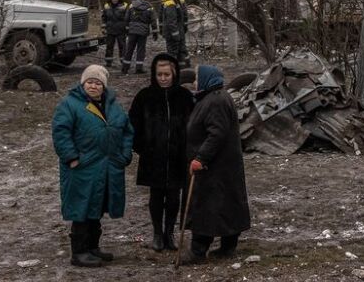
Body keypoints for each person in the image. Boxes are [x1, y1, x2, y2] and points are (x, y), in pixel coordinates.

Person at [51, 64, 134, 268]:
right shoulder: (70, 104)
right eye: (89, 82)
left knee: (97, 207)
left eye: (98, 83)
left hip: (107, 167)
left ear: (104, 86)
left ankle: (93, 247)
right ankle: (79, 252)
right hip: (82, 167)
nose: (93, 86)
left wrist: (124, 155)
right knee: (82, 207)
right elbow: (61, 132)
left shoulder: (113, 106)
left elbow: (127, 131)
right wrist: (71, 157)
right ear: (83, 83)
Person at [180, 65, 252, 264]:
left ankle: (198, 251)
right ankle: (228, 246)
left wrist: (201, 158)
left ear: (206, 78)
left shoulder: (215, 101)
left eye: (197, 77)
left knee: (206, 207)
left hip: (214, 168)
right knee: (227, 206)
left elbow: (217, 134)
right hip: (223, 167)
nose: (194, 82)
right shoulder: (215, 97)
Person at [128, 53, 195, 252]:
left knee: (174, 196)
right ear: (154, 74)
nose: (163, 78)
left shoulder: (184, 97)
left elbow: (193, 124)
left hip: (177, 156)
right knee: (156, 195)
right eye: (159, 74)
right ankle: (157, 233)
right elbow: (133, 124)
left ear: (174, 74)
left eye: (167, 74)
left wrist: (188, 148)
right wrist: (141, 146)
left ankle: (169, 232)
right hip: (153, 157)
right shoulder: (144, 96)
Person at [123, 0, 157, 74]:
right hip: (143, 31)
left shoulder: (132, 5)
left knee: (129, 49)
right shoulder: (150, 7)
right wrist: (155, 32)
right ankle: (139, 68)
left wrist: (127, 29)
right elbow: (153, 21)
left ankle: (125, 68)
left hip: (132, 31)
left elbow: (126, 18)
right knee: (141, 50)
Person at [160, 0, 190, 68]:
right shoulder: (170, 3)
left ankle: (182, 68)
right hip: (172, 33)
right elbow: (171, 21)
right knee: (173, 52)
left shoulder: (177, 0)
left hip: (178, 31)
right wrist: (175, 34)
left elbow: (182, 18)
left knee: (181, 51)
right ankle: (171, 70)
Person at [100, 0, 128, 67]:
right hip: (110, 30)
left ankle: (123, 61)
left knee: (122, 46)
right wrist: (103, 28)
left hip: (121, 30)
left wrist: (127, 28)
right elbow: (104, 18)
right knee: (109, 46)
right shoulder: (107, 6)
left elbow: (127, 18)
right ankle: (108, 62)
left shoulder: (124, 6)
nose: (114, 0)